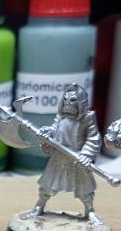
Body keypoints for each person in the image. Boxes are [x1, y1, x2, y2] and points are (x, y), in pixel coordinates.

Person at [30, 83, 102, 223]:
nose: (68, 103)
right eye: (66, 100)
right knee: (47, 185)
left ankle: (90, 211)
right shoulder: (61, 117)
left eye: (73, 100)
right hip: (59, 157)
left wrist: (86, 154)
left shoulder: (88, 118)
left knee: (85, 188)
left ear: (80, 102)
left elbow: (93, 138)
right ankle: (39, 206)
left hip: (78, 157)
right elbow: (54, 130)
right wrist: (46, 134)